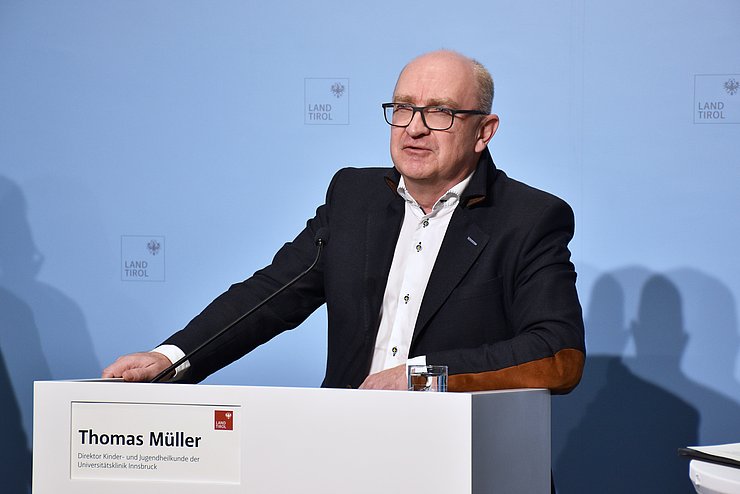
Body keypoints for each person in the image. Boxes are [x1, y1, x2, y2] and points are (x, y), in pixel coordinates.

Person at [103, 50, 585, 393]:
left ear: (484, 131)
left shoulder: (529, 218)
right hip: (347, 446)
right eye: (403, 108)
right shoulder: (355, 198)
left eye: (439, 112)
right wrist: (170, 357)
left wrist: (422, 377)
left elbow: (556, 356)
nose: (414, 127)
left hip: (466, 457)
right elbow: (272, 295)